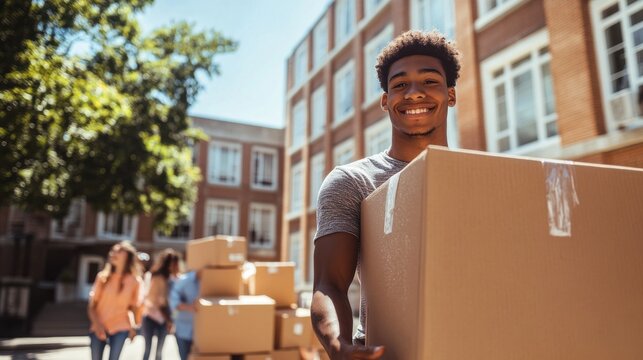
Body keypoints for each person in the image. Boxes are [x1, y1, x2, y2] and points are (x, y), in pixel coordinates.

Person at [311, 30, 461, 359]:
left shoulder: (479, 178)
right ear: (385, 100)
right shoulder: (352, 181)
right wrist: (338, 344)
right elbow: (329, 283)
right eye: (400, 85)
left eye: (430, 82)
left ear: (451, 95)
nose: (414, 94)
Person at [87, 241, 144, 360]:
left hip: (121, 327)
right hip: (99, 326)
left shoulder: (135, 281)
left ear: (127, 256)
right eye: (113, 250)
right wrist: (98, 326)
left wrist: (133, 327)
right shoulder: (102, 277)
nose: (113, 253)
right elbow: (92, 306)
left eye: (119, 251)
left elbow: (132, 308)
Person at [141, 249, 180, 360]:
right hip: (151, 317)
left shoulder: (176, 280)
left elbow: (178, 304)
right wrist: (169, 319)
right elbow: (156, 301)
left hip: (165, 320)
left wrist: (173, 320)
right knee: (147, 350)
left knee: (159, 352)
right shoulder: (157, 278)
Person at [169, 269, 200, 360]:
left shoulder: (210, 281)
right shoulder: (184, 281)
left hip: (201, 331)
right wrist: (192, 307)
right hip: (183, 329)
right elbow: (174, 305)